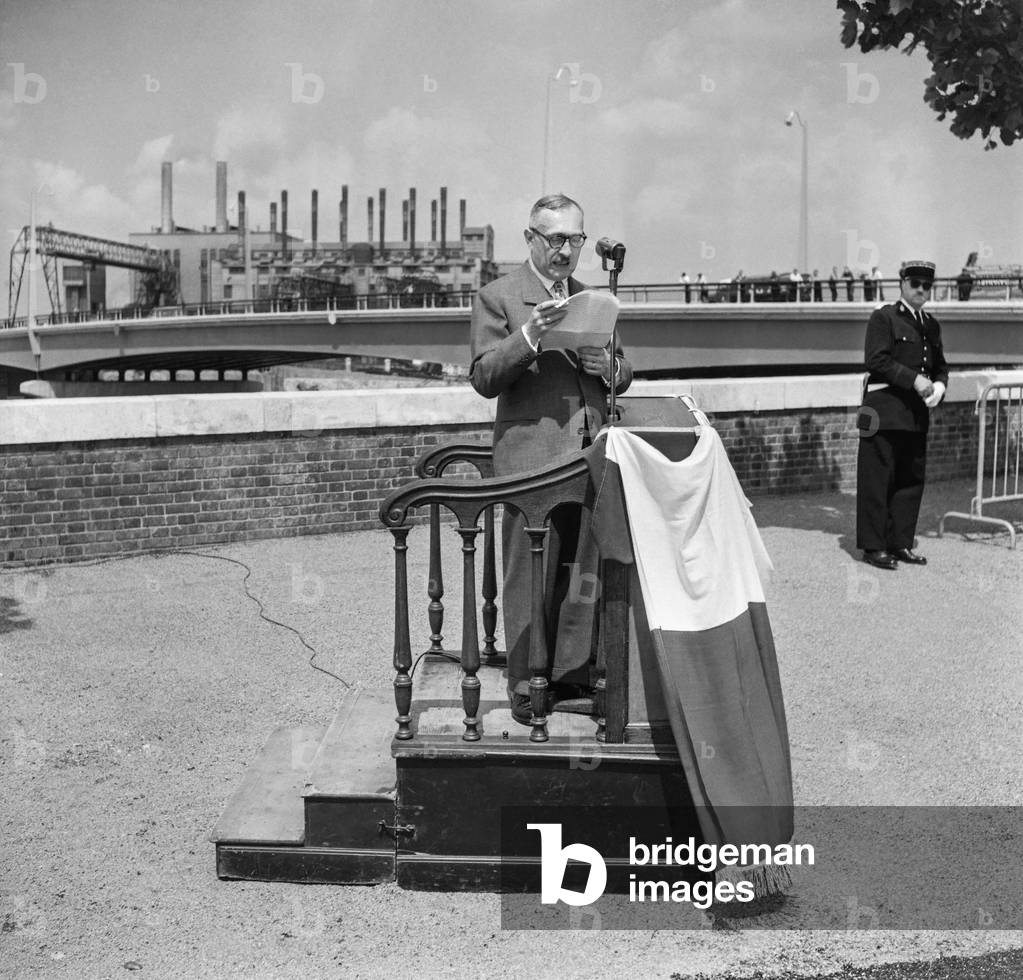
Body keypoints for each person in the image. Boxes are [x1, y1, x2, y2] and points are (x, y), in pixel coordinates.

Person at [468, 193, 633, 723]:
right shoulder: (499, 298)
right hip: (532, 462)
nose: (566, 250)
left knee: (582, 571)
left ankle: (570, 675)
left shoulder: (593, 299)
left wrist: (606, 363)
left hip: (588, 458)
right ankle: (525, 683)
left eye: (575, 240)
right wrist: (530, 337)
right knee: (528, 575)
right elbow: (483, 379)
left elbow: (625, 377)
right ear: (531, 239)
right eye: (555, 239)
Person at [856, 260, 949, 570]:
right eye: (915, 284)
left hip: (914, 414)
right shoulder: (884, 318)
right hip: (882, 408)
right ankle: (874, 546)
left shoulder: (931, 325)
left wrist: (938, 385)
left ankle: (900, 543)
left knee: (910, 480)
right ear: (903, 285)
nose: (921, 290)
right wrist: (915, 380)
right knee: (877, 478)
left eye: (927, 285)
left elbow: (940, 366)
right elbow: (876, 361)